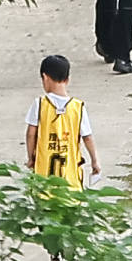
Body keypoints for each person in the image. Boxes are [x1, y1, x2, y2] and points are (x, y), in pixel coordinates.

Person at [24, 53, 93, 184]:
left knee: (43, 199)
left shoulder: (39, 104)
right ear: (67, 80)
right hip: (70, 177)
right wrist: (95, 161)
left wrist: (31, 158)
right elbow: (87, 137)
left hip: (43, 175)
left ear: (44, 77)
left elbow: (30, 134)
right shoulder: (78, 107)